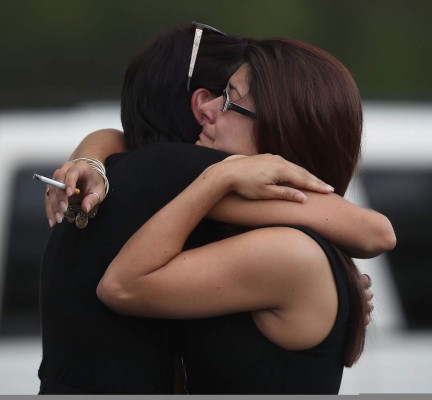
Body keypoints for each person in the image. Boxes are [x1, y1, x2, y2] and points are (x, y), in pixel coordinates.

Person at [39, 23, 392, 394]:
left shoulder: (285, 248)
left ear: (280, 123)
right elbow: (122, 144)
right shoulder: (247, 227)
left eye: (228, 98)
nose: (207, 109)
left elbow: (122, 286)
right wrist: (91, 158)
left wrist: (216, 179)